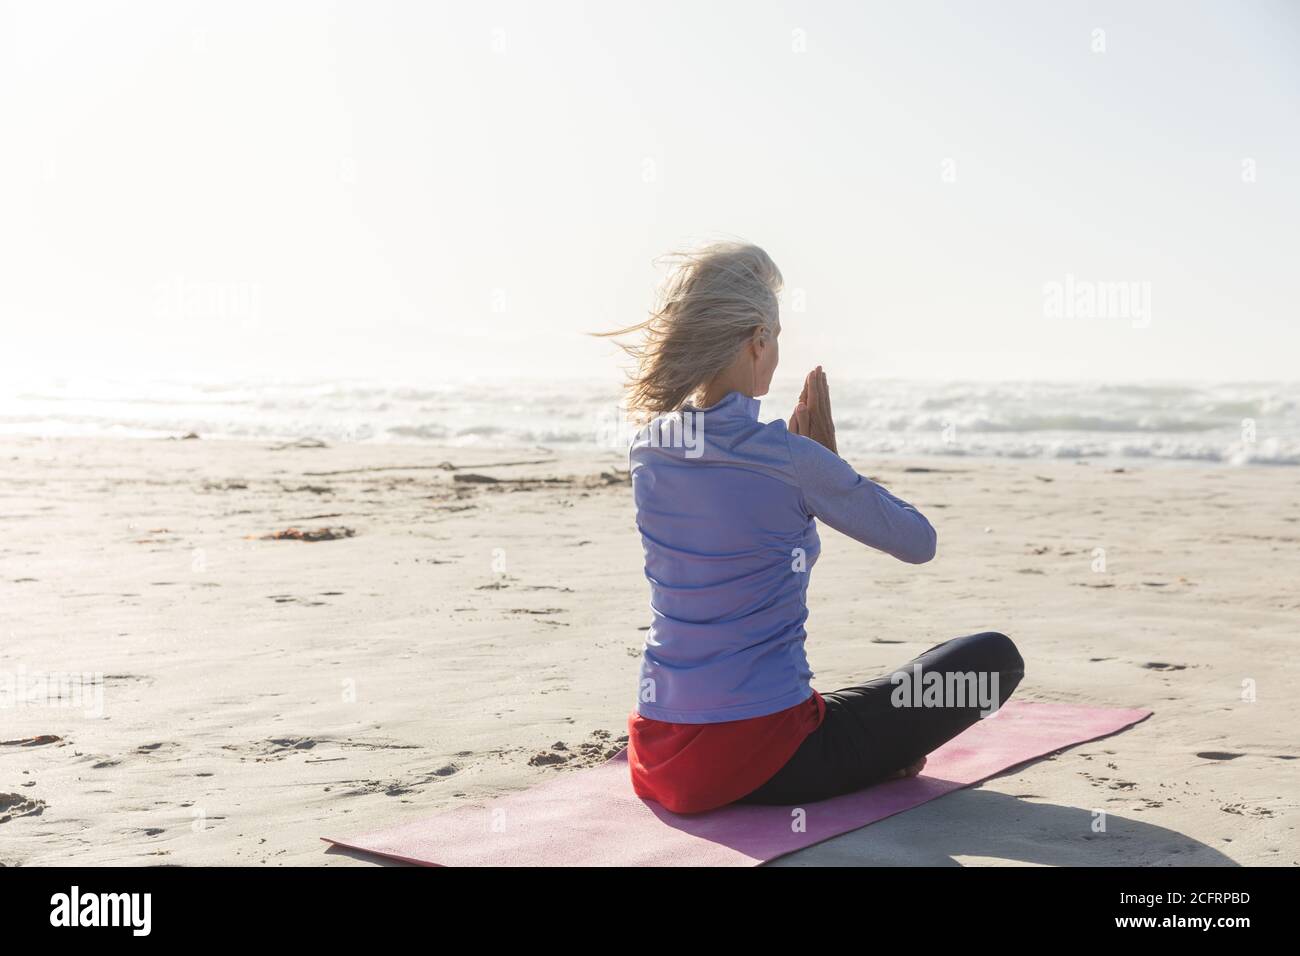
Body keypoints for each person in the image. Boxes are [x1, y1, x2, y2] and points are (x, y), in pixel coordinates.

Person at [597, 241, 1024, 814]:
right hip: (768, 759)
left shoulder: (649, 448)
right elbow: (918, 542)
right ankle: (869, 767)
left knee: (845, 703)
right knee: (991, 658)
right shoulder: (789, 456)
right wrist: (830, 465)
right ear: (757, 341)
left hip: (661, 756)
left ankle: (865, 756)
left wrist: (813, 469)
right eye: (775, 338)